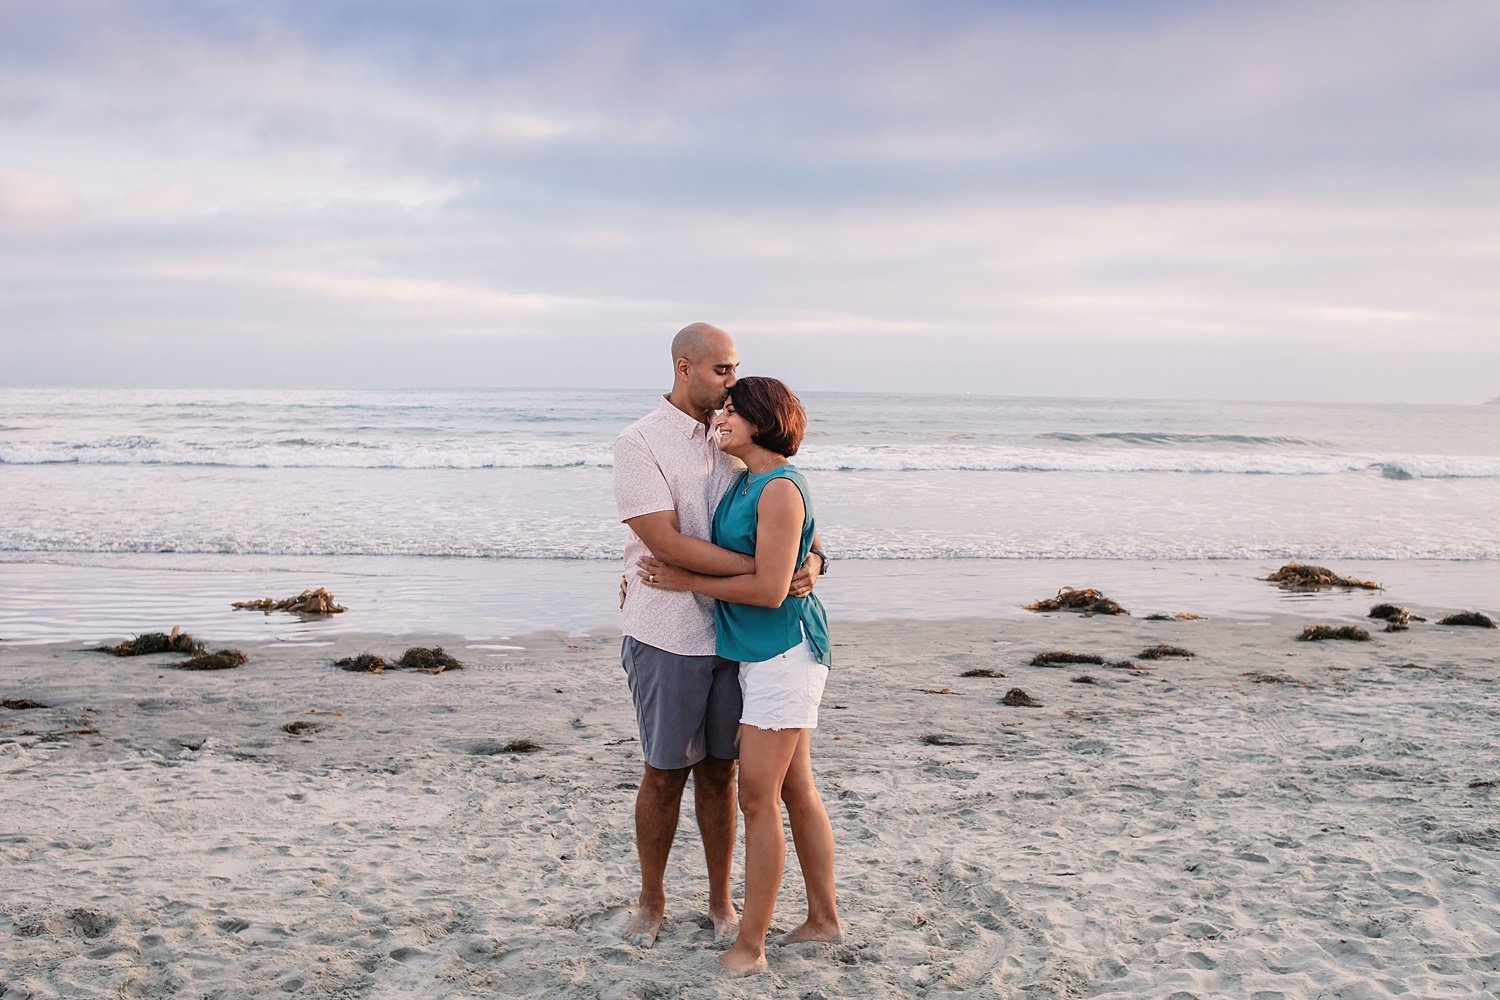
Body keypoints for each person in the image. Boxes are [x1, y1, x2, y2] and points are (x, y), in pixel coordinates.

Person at [613, 324, 824, 947]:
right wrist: (769, 574)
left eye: (735, 371)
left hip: (738, 637)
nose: (733, 382)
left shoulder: (736, 436)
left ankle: (719, 902)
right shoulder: (640, 443)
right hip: (667, 630)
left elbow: (790, 514)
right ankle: (652, 900)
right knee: (663, 772)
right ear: (686, 367)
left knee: (721, 774)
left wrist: (807, 565)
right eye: (723, 371)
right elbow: (666, 542)